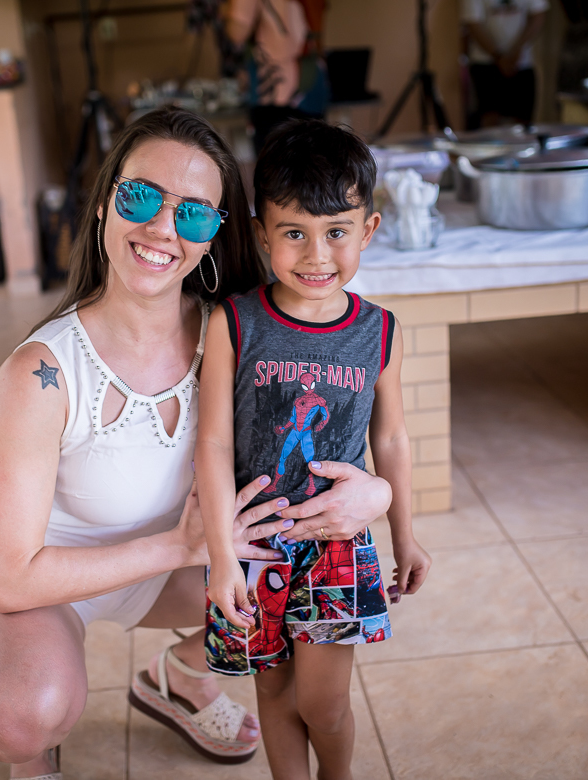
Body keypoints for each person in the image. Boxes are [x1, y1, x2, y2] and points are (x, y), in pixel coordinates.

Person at [0, 107, 394, 779]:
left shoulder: (240, 332)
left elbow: (343, 424)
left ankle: (181, 676)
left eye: (193, 213)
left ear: (216, 234)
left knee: (294, 589)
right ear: (104, 203)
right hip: (47, 578)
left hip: (172, 567)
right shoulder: (39, 374)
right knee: (22, 714)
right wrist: (183, 548)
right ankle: (35, 761)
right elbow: (11, 578)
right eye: (140, 197)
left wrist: (376, 493)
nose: (162, 227)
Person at [196, 119, 432, 780]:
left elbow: (391, 437)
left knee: (322, 705)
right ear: (261, 232)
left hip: (337, 544)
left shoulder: (379, 331)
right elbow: (212, 442)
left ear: (369, 229)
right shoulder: (234, 322)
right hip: (253, 545)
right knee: (273, 694)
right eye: (294, 233)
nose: (317, 255)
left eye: (336, 232)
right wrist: (221, 556)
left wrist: (404, 536)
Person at [224, 0, 328, 154]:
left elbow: (237, 31)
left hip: (277, 91)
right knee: (313, 160)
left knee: (276, 163)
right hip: (312, 85)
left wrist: (226, 10)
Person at [462, 0, 547, 127]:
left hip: (522, 62)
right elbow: (473, 23)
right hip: (485, 63)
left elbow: (538, 15)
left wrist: (517, 49)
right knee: (489, 119)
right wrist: (499, 57)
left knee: (523, 120)